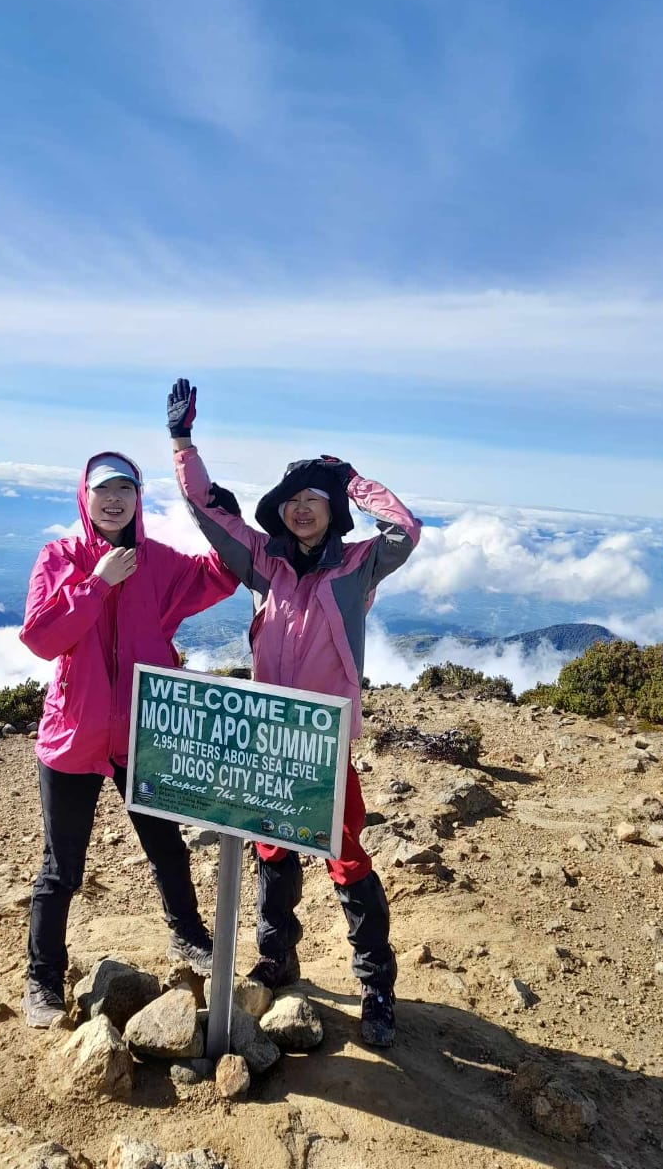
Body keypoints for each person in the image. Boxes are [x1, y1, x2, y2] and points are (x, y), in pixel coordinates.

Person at [167, 378, 422, 1047]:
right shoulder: (263, 563)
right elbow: (205, 508)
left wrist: (355, 480)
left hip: (323, 741)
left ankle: (375, 989)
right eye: (291, 502)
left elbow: (407, 528)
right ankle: (278, 957)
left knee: (345, 861)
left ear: (333, 511)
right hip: (267, 736)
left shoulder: (360, 566)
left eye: (314, 501)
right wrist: (182, 442)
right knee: (272, 850)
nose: (301, 511)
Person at [18, 450, 238, 1028]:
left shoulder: (160, 564)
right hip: (73, 737)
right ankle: (42, 979)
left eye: (126, 490)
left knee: (166, 845)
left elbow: (221, 575)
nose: (114, 499)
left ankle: (189, 938)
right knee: (61, 868)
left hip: (144, 734)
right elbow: (41, 638)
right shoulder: (59, 558)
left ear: (139, 500)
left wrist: (223, 517)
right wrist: (95, 585)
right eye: (103, 490)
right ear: (84, 498)